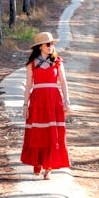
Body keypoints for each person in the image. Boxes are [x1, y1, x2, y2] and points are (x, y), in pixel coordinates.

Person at [20, 31, 72, 179]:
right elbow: (29, 85)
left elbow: (63, 82)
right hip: (37, 100)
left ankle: (48, 167)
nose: (51, 47)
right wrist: (25, 105)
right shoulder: (32, 64)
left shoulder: (57, 61)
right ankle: (38, 162)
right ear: (40, 46)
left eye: (52, 44)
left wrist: (67, 101)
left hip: (54, 100)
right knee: (38, 133)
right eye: (48, 44)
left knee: (52, 133)